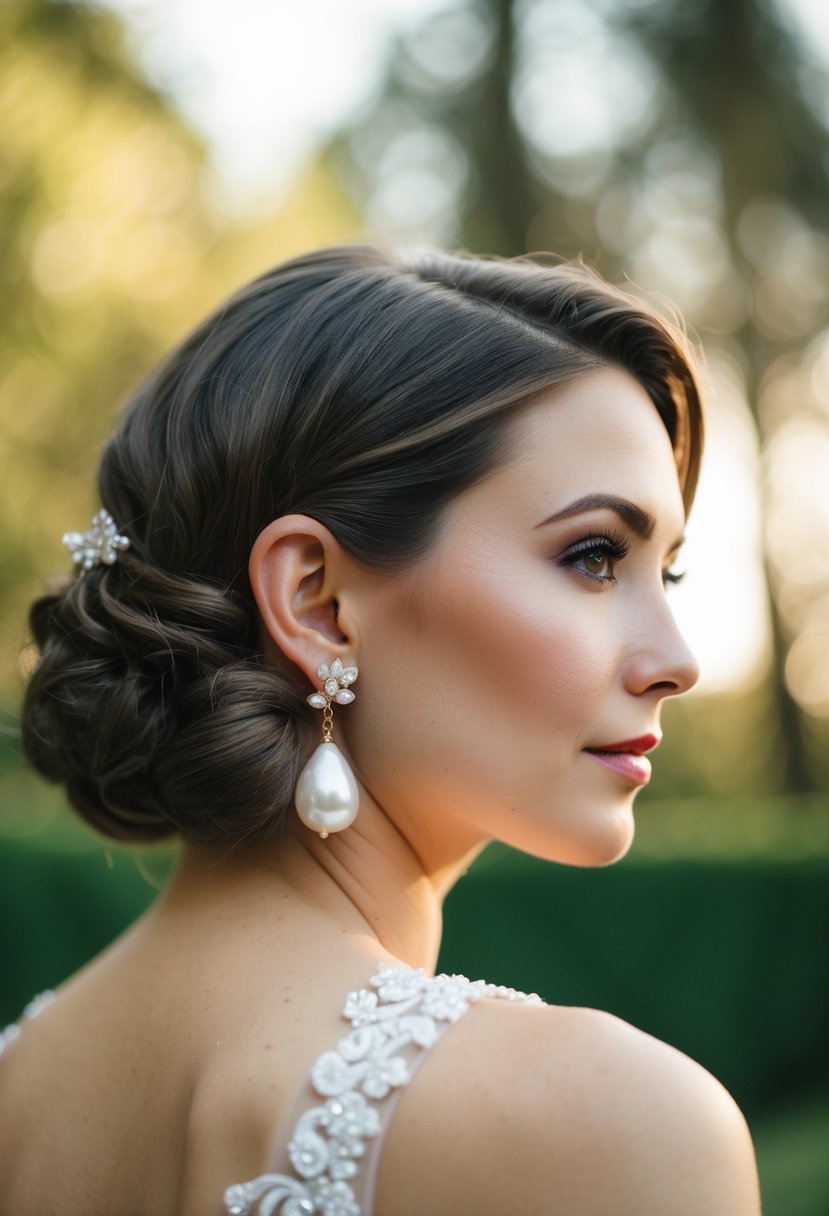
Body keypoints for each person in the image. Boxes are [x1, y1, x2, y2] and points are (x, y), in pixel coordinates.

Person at [1, 245, 761, 1215]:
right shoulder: (615, 1126)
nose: (677, 659)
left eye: (670, 571)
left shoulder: (16, 1089)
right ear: (316, 604)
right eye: (593, 555)